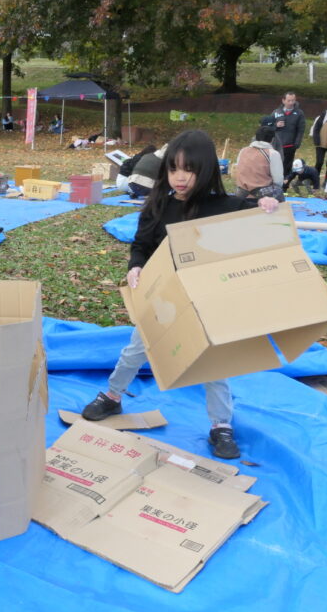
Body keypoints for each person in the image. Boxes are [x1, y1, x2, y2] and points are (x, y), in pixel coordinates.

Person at [80, 129, 280, 459]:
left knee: (214, 367)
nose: (180, 178)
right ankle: (113, 396)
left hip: (206, 303)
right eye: (174, 169)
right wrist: (135, 267)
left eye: (189, 169)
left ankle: (220, 426)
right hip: (164, 301)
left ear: (206, 170)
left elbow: (257, 215)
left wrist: (267, 203)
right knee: (136, 351)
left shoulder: (223, 206)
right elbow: (141, 246)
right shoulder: (158, 206)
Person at [233, 126, 285, 202]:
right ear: (272, 139)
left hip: (241, 192)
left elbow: (238, 169)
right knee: (278, 191)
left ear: (256, 137)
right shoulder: (273, 153)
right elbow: (278, 180)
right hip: (262, 193)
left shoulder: (243, 151)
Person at [263, 92, 305, 178]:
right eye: (289, 100)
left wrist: (297, 143)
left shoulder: (299, 113)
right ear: (283, 100)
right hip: (276, 145)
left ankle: (284, 187)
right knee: (275, 165)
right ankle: (273, 184)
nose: (291, 103)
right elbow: (267, 127)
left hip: (290, 145)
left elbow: (301, 130)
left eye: (293, 100)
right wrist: (276, 126)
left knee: (287, 167)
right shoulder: (276, 112)